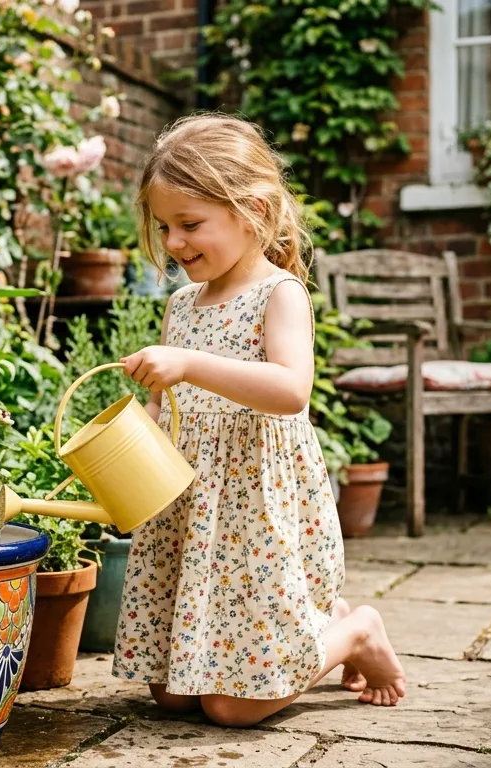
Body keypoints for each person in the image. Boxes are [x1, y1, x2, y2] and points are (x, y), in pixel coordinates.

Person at [114, 112, 407, 727]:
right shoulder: (181, 304)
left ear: (251, 210)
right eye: (165, 226)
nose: (172, 243)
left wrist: (190, 363)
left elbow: (290, 390)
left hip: (256, 506)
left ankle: (354, 631)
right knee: (169, 695)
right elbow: (165, 407)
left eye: (190, 224)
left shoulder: (279, 292)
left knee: (233, 708)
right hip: (195, 510)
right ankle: (315, 631)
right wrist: (138, 438)